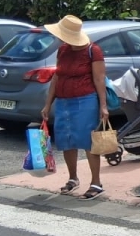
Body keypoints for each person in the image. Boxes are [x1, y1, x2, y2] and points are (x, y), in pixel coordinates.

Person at [40, 15, 108, 199]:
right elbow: (57, 77)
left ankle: (96, 182)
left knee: (88, 141)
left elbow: (99, 79)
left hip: (85, 100)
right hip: (63, 101)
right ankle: (73, 178)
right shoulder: (63, 50)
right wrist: (48, 104)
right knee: (66, 140)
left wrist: (103, 106)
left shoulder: (93, 51)